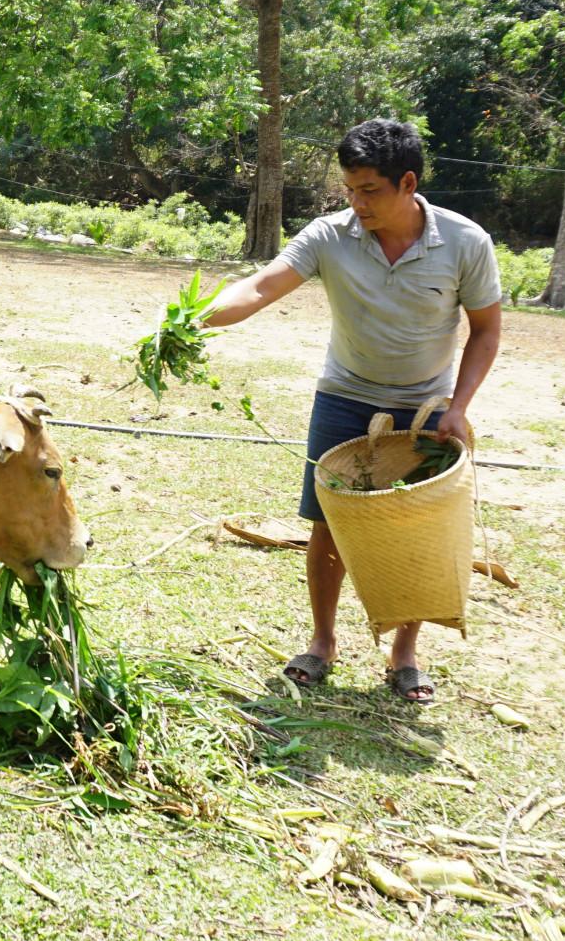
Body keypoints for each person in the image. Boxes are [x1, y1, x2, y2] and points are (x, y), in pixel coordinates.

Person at [204, 119, 501, 703]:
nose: (356, 202)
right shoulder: (328, 236)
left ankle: (405, 653)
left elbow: (487, 331)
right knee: (327, 525)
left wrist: (459, 407)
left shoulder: (465, 242)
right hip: (343, 397)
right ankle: (322, 644)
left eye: (369, 190)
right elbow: (261, 286)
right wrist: (195, 318)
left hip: (423, 406)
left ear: (408, 182)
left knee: (415, 529)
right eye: (349, 188)